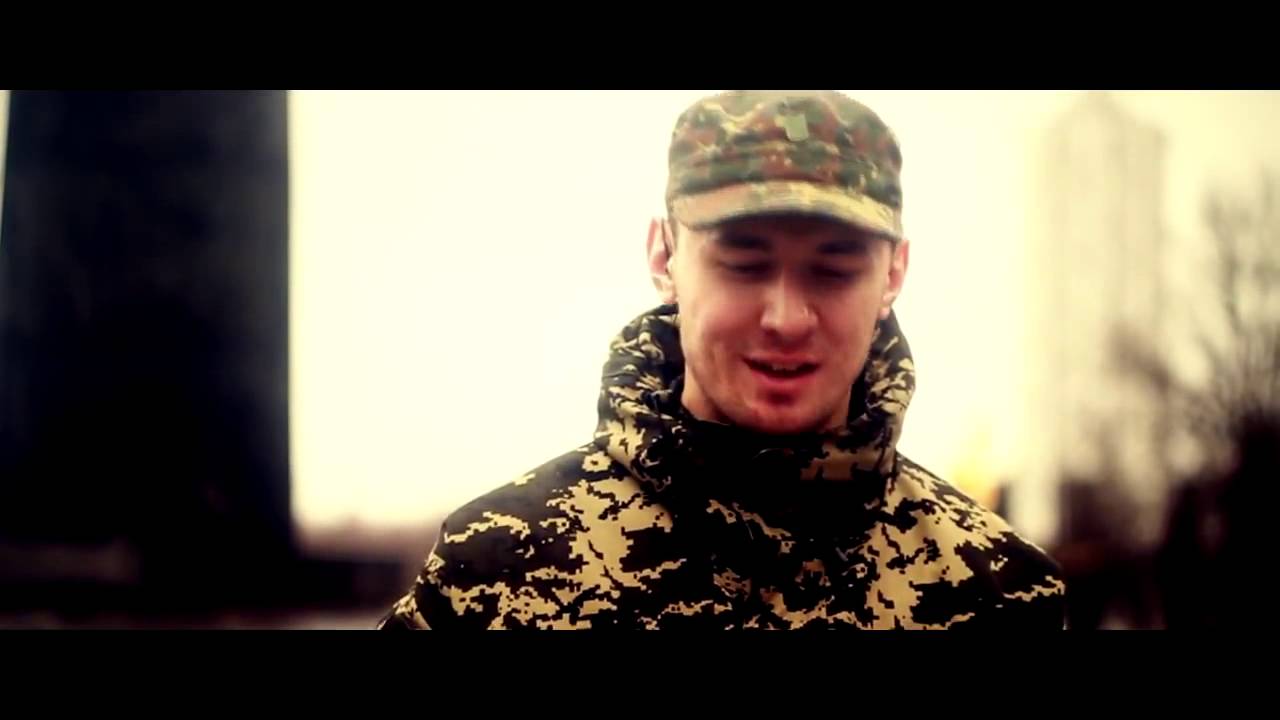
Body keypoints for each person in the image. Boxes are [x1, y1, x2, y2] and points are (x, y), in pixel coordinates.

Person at [379, 90, 1066, 629]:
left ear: (893, 274)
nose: (786, 318)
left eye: (833, 271)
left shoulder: (999, 593)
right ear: (664, 256)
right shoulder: (497, 570)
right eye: (743, 264)